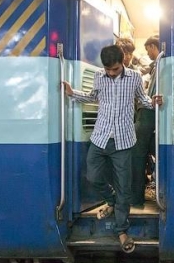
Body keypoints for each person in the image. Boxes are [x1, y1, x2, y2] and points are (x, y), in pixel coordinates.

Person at [61, 44, 162, 252]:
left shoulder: (134, 77)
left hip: (124, 140)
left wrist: (154, 102)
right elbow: (92, 96)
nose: (111, 73)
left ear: (123, 60)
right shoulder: (99, 76)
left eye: (114, 69)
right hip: (100, 136)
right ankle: (112, 200)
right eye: (107, 70)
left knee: (124, 186)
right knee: (93, 176)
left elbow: (142, 100)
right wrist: (72, 93)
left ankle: (122, 231)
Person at [131, 36, 162, 207]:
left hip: (148, 112)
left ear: (153, 46)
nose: (148, 53)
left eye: (148, 49)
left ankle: (135, 198)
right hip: (150, 111)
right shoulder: (156, 65)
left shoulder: (160, 62)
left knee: (137, 154)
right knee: (147, 149)